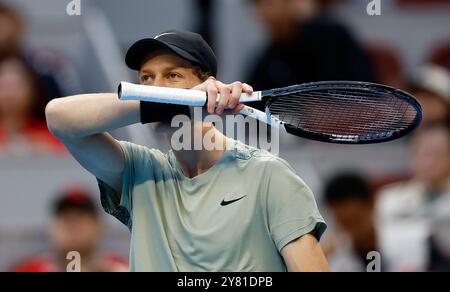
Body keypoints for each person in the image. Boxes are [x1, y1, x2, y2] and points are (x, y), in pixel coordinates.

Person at [45, 30, 328, 272]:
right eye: (146, 79)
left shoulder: (270, 175)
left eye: (172, 76)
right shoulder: (139, 171)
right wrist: (169, 100)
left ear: (209, 84)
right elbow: (59, 117)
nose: (155, 88)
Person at [246, 0, 376, 91]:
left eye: (269, 3)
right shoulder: (268, 56)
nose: (263, 11)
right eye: (257, 4)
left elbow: (365, 89)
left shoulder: (332, 37)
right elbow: (251, 104)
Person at [376, 122, 450, 271]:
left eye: (439, 154)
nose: (431, 162)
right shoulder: (389, 199)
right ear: (412, 157)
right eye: (426, 154)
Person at [10, 187, 128, 272]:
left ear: (98, 226)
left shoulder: (123, 268)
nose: (72, 226)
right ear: (51, 227)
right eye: (65, 218)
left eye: (80, 218)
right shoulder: (27, 269)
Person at [0, 57, 65, 154]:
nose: (10, 94)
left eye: (16, 86)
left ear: (32, 91)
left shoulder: (52, 133)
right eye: (4, 86)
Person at [323, 173, 379, 272]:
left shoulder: (407, 242)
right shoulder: (337, 259)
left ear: (371, 204)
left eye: (354, 221)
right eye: (343, 224)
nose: (351, 230)